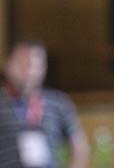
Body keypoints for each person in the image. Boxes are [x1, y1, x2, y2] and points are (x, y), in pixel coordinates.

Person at [0, 40, 90, 168]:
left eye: (34, 65)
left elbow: (79, 147)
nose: (29, 71)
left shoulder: (59, 103)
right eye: (22, 64)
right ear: (7, 65)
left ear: (44, 68)